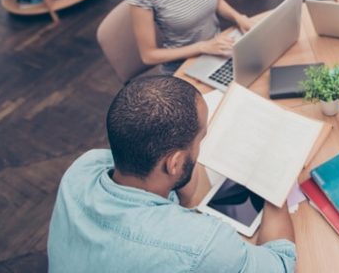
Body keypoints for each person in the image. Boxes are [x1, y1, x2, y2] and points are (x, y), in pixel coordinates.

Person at [48, 75, 296, 272]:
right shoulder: (202, 245)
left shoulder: (82, 169)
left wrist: (180, 175)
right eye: (201, 138)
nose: (201, 148)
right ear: (174, 163)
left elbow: (184, 198)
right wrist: (274, 178)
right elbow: (282, 263)